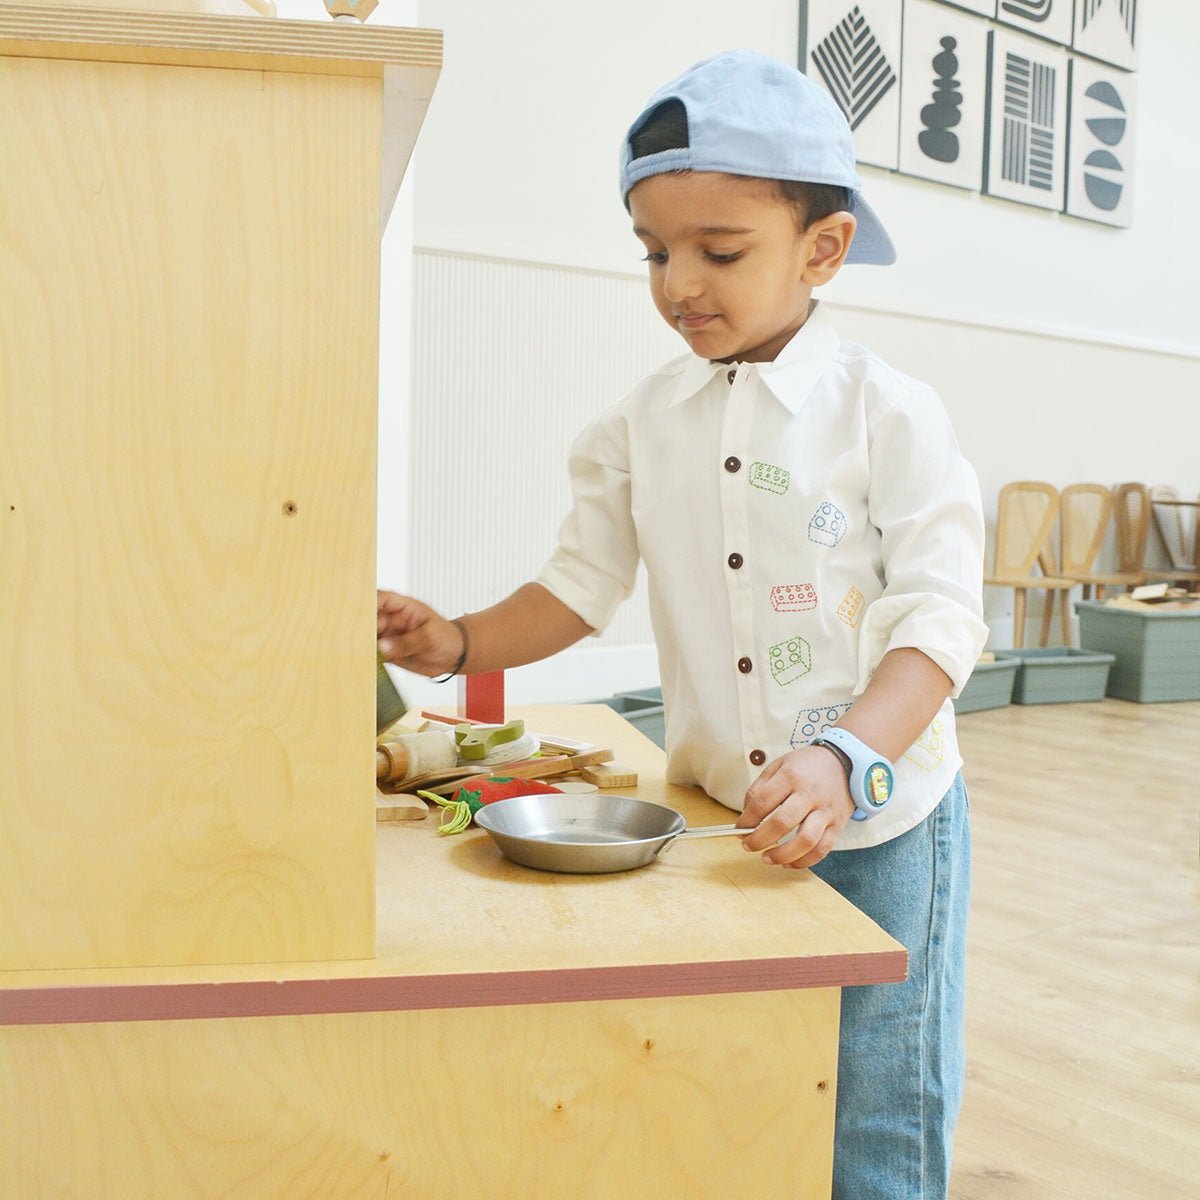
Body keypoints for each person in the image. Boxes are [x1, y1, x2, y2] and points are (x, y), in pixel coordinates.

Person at [378, 49, 988, 1200]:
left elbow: (941, 619)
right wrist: (454, 642)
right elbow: (577, 586)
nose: (678, 283)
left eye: (720, 251)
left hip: (879, 811)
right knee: (739, 1069)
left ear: (823, 249)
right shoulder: (641, 420)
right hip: (722, 810)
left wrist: (848, 752)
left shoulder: (889, 413)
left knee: (874, 1086)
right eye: (655, 252)